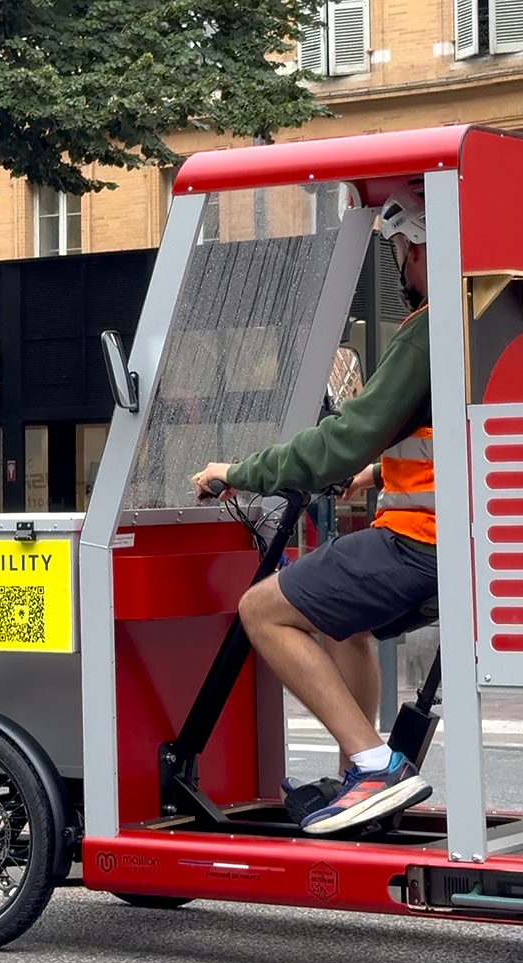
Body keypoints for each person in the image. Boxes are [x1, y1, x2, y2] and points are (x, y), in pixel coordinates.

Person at [191, 187, 436, 836]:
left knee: (261, 609)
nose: (402, 269)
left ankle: (375, 765)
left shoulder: (433, 329)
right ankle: (360, 778)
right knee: (342, 623)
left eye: (402, 252)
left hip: (418, 545)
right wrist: (379, 468)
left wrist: (236, 472)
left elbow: (341, 436)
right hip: (459, 549)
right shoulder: (491, 322)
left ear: (419, 249)